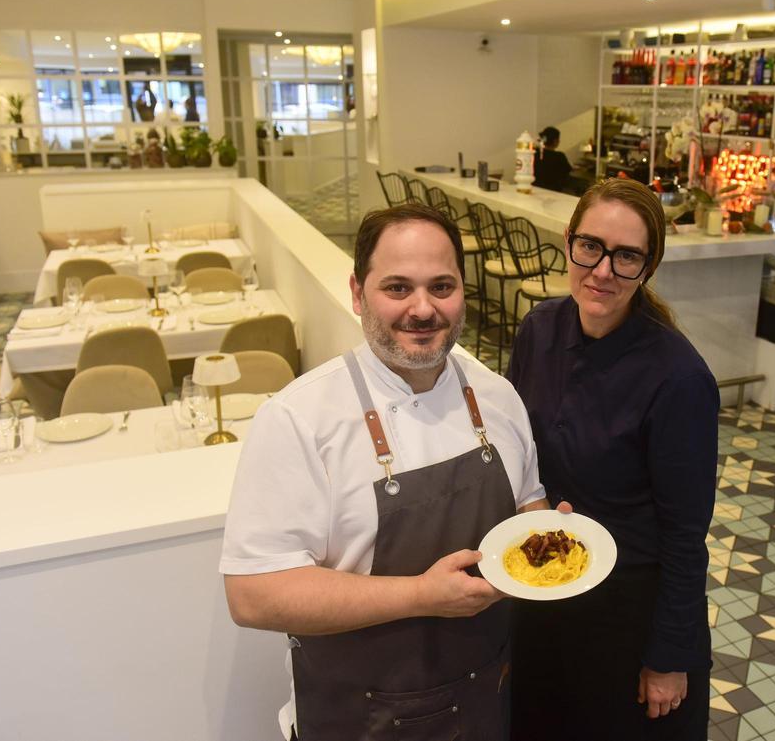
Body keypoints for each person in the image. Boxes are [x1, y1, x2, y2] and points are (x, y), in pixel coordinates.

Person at [220, 203, 548, 740]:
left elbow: (527, 504)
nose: (423, 309)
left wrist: (547, 538)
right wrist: (421, 595)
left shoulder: (498, 396)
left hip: (485, 701)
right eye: (397, 288)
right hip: (359, 720)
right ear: (357, 292)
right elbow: (253, 594)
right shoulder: (299, 418)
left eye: (442, 287)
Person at [507, 178, 719, 741]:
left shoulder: (679, 379)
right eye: (591, 247)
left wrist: (671, 656)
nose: (602, 271)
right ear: (569, 241)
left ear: (648, 268)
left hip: (629, 611)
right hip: (546, 587)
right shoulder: (538, 330)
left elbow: (684, 533)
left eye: (626, 256)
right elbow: (513, 447)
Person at [532, 125, 572, 193]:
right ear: (555, 141)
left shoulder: (534, 153)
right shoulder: (559, 157)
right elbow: (567, 171)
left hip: (535, 189)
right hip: (553, 192)